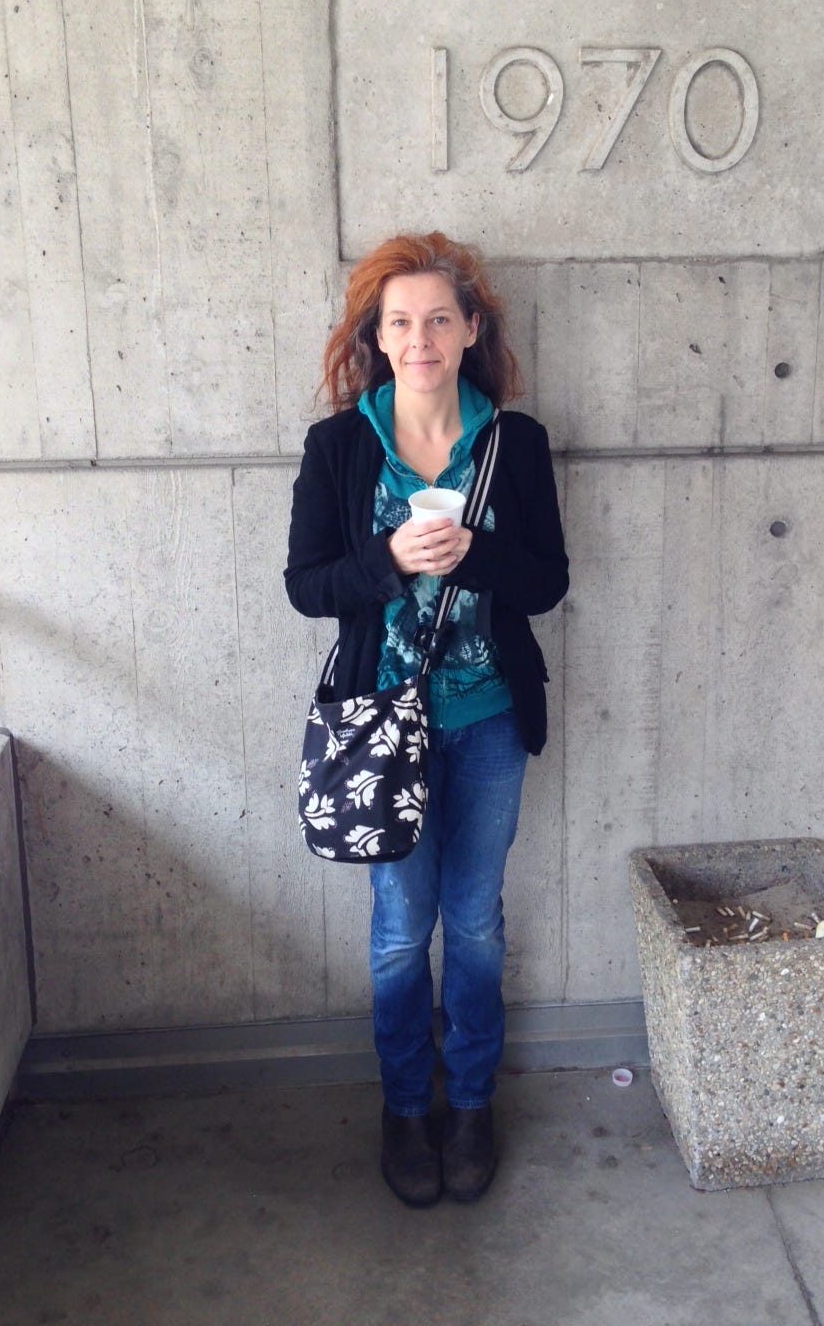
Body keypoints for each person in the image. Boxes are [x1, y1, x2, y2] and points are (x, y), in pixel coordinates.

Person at [284, 231, 568, 1208]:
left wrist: (472, 555)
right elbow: (306, 586)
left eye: (439, 319)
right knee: (403, 930)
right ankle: (407, 1107)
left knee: (476, 922)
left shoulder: (514, 444)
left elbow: (548, 580)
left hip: (488, 721)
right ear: (377, 337)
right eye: (400, 322)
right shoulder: (339, 448)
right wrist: (391, 559)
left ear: (471, 329)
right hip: (381, 727)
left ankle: (472, 1102)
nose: (420, 339)